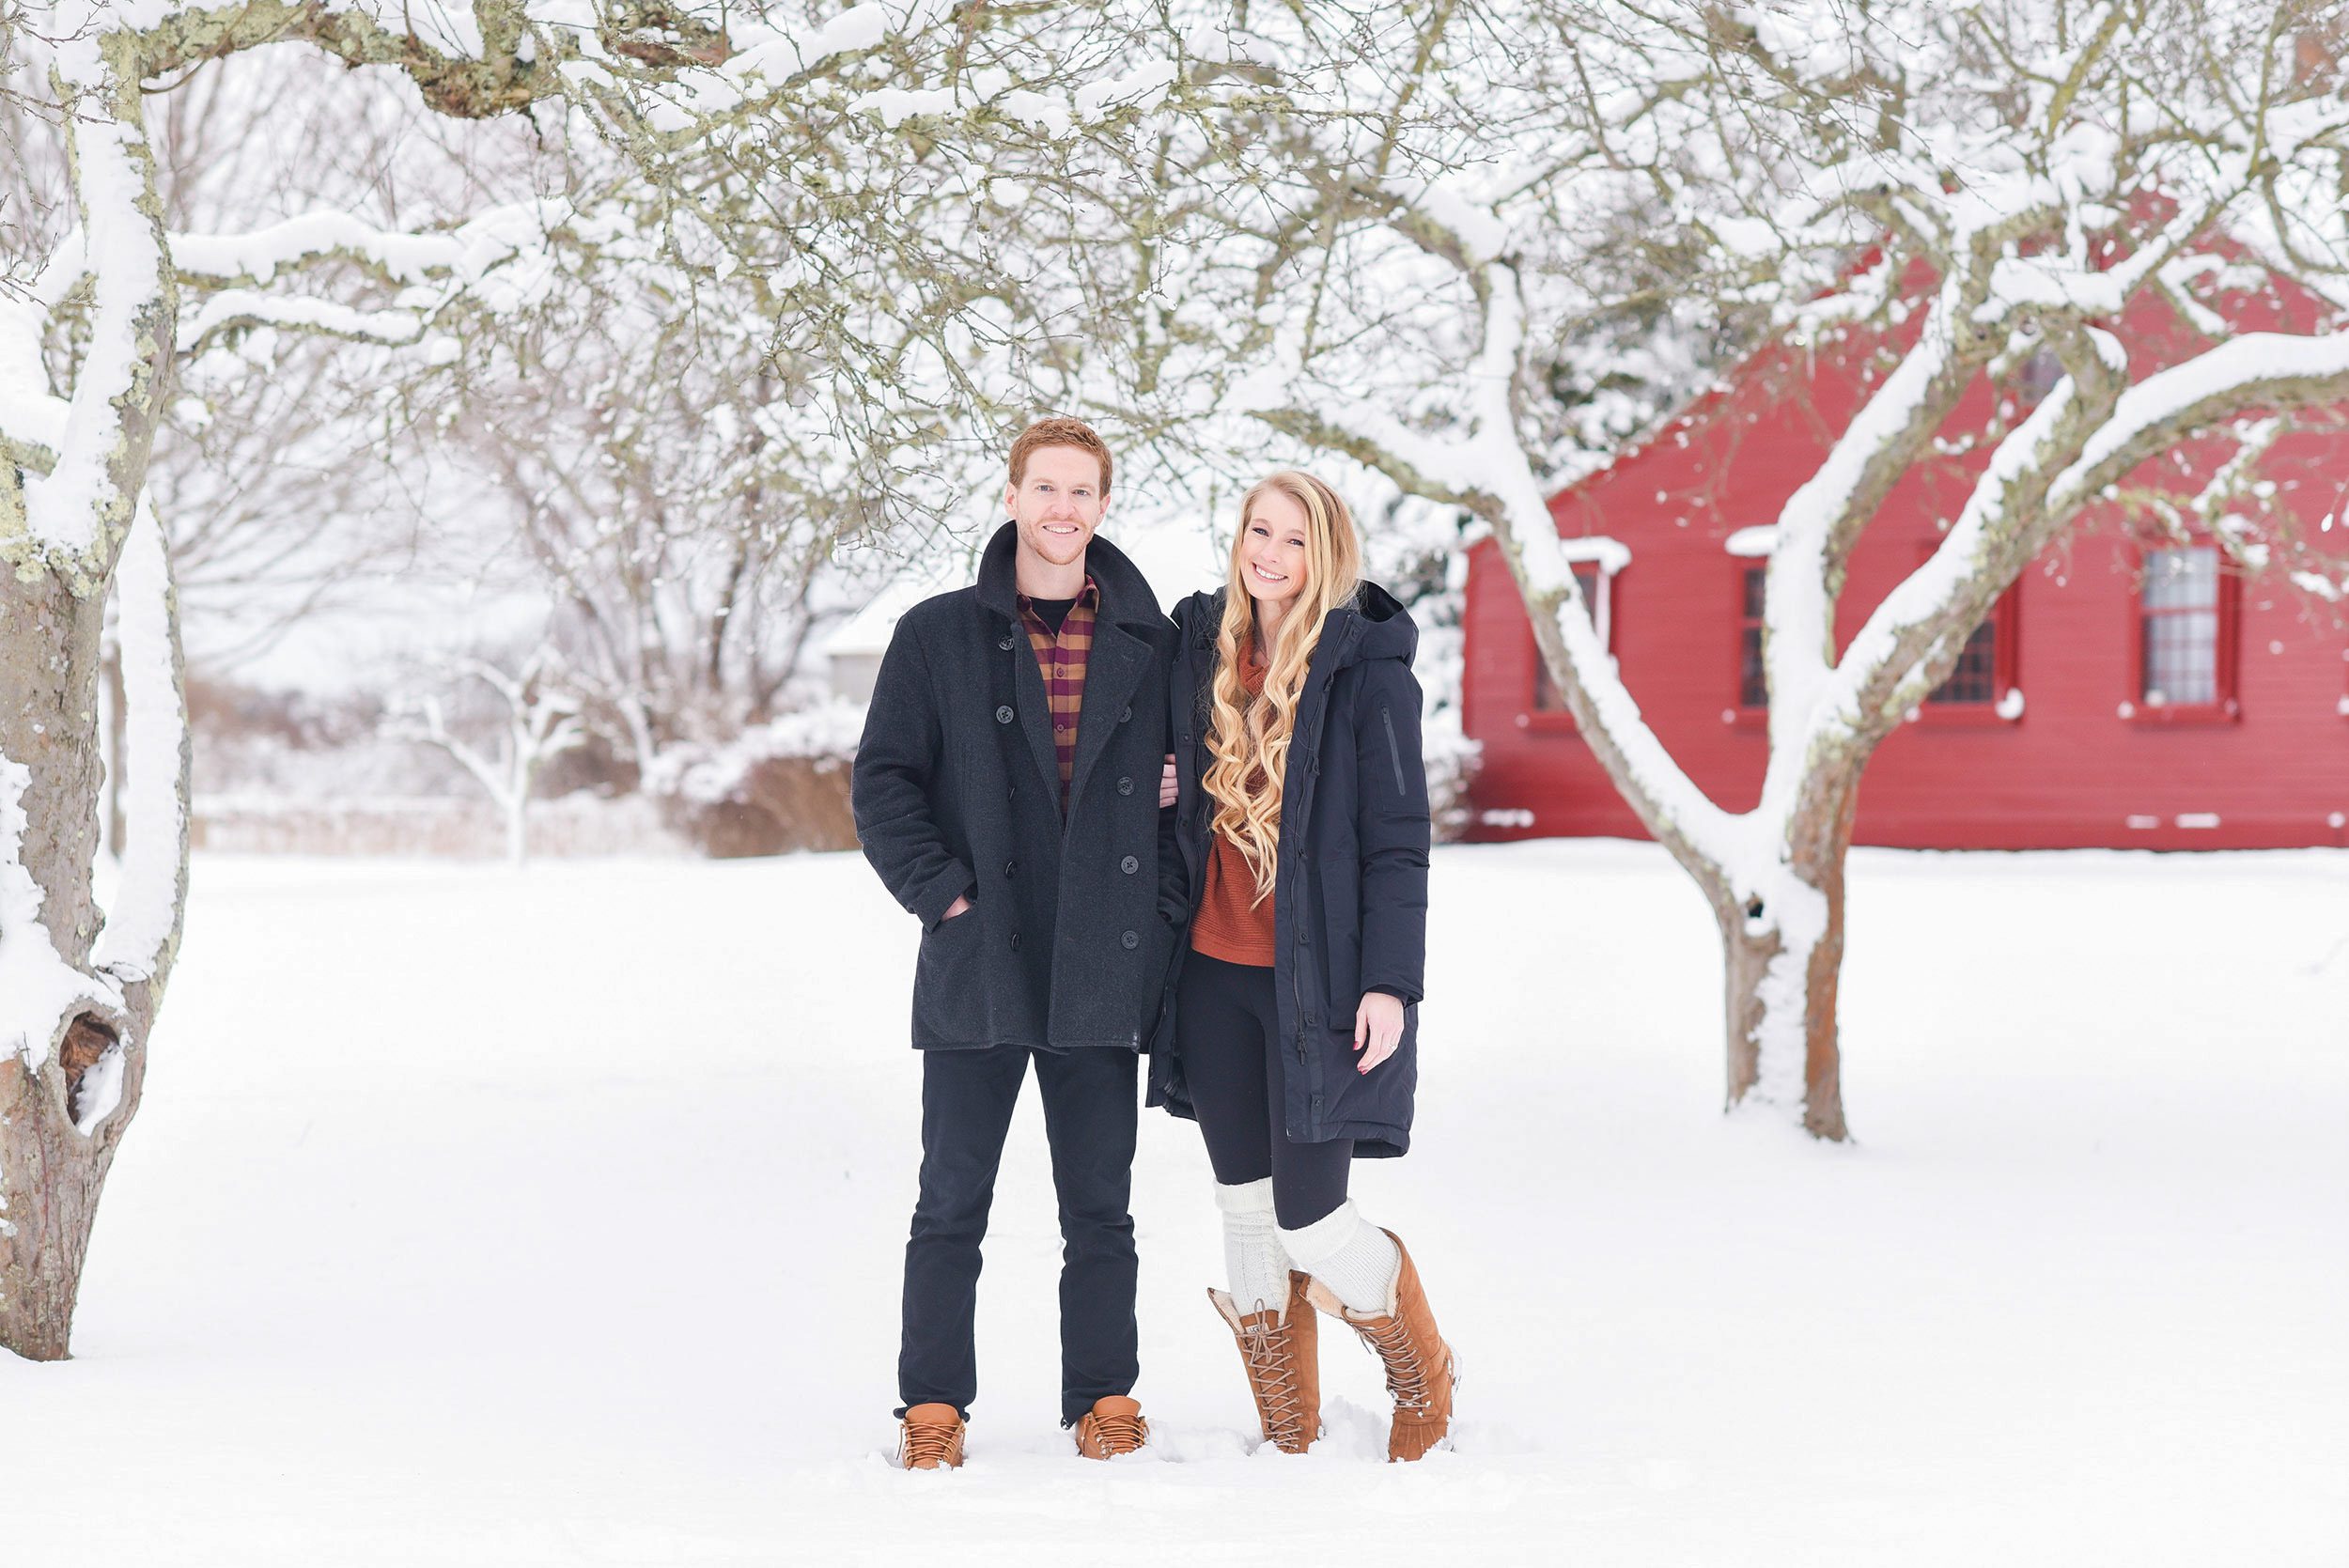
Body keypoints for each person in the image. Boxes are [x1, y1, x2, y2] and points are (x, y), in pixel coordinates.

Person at [852, 416, 1179, 1470]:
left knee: (1101, 1209)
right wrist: (942, 897)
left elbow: (1197, 790)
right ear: (1010, 495)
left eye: (1081, 490)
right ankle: (932, 1405)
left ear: (1102, 504)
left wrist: (1161, 868)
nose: (1061, 508)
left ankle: (1104, 1398)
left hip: (1099, 958)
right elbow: (882, 781)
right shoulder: (936, 633)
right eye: (1045, 487)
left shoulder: (1155, 643)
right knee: (951, 1200)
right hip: (979, 954)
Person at [1148, 470, 1453, 1462]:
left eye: (1294, 539)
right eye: (1256, 530)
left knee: (1312, 1220)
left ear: (1327, 556)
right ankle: (1288, 1418)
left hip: (1316, 989)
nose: (1269, 553)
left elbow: (1397, 842)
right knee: (1244, 1214)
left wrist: (1390, 983)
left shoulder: (1368, 674)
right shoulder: (1203, 650)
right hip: (1210, 976)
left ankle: (1422, 1365)